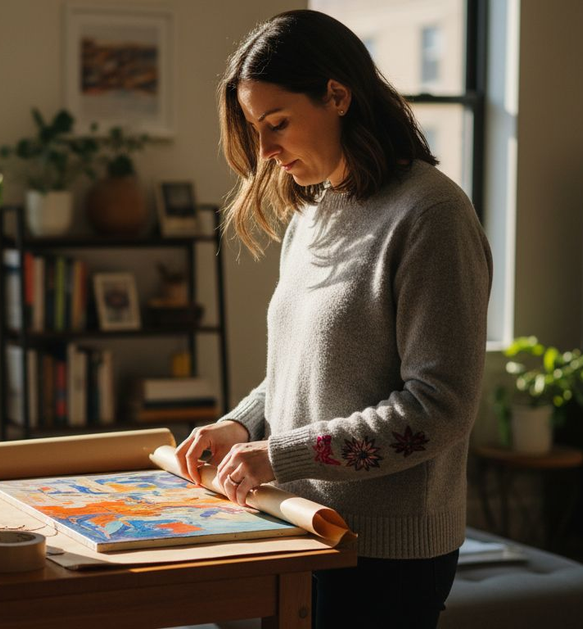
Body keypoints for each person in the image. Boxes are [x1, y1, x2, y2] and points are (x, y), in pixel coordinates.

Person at [175, 10, 493, 629]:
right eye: (255, 129)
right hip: (295, 523)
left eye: (278, 124)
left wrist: (282, 455)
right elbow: (299, 371)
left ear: (337, 96)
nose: (266, 152)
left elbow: (439, 408)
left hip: (383, 552)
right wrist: (240, 426)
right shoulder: (312, 214)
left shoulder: (432, 216)